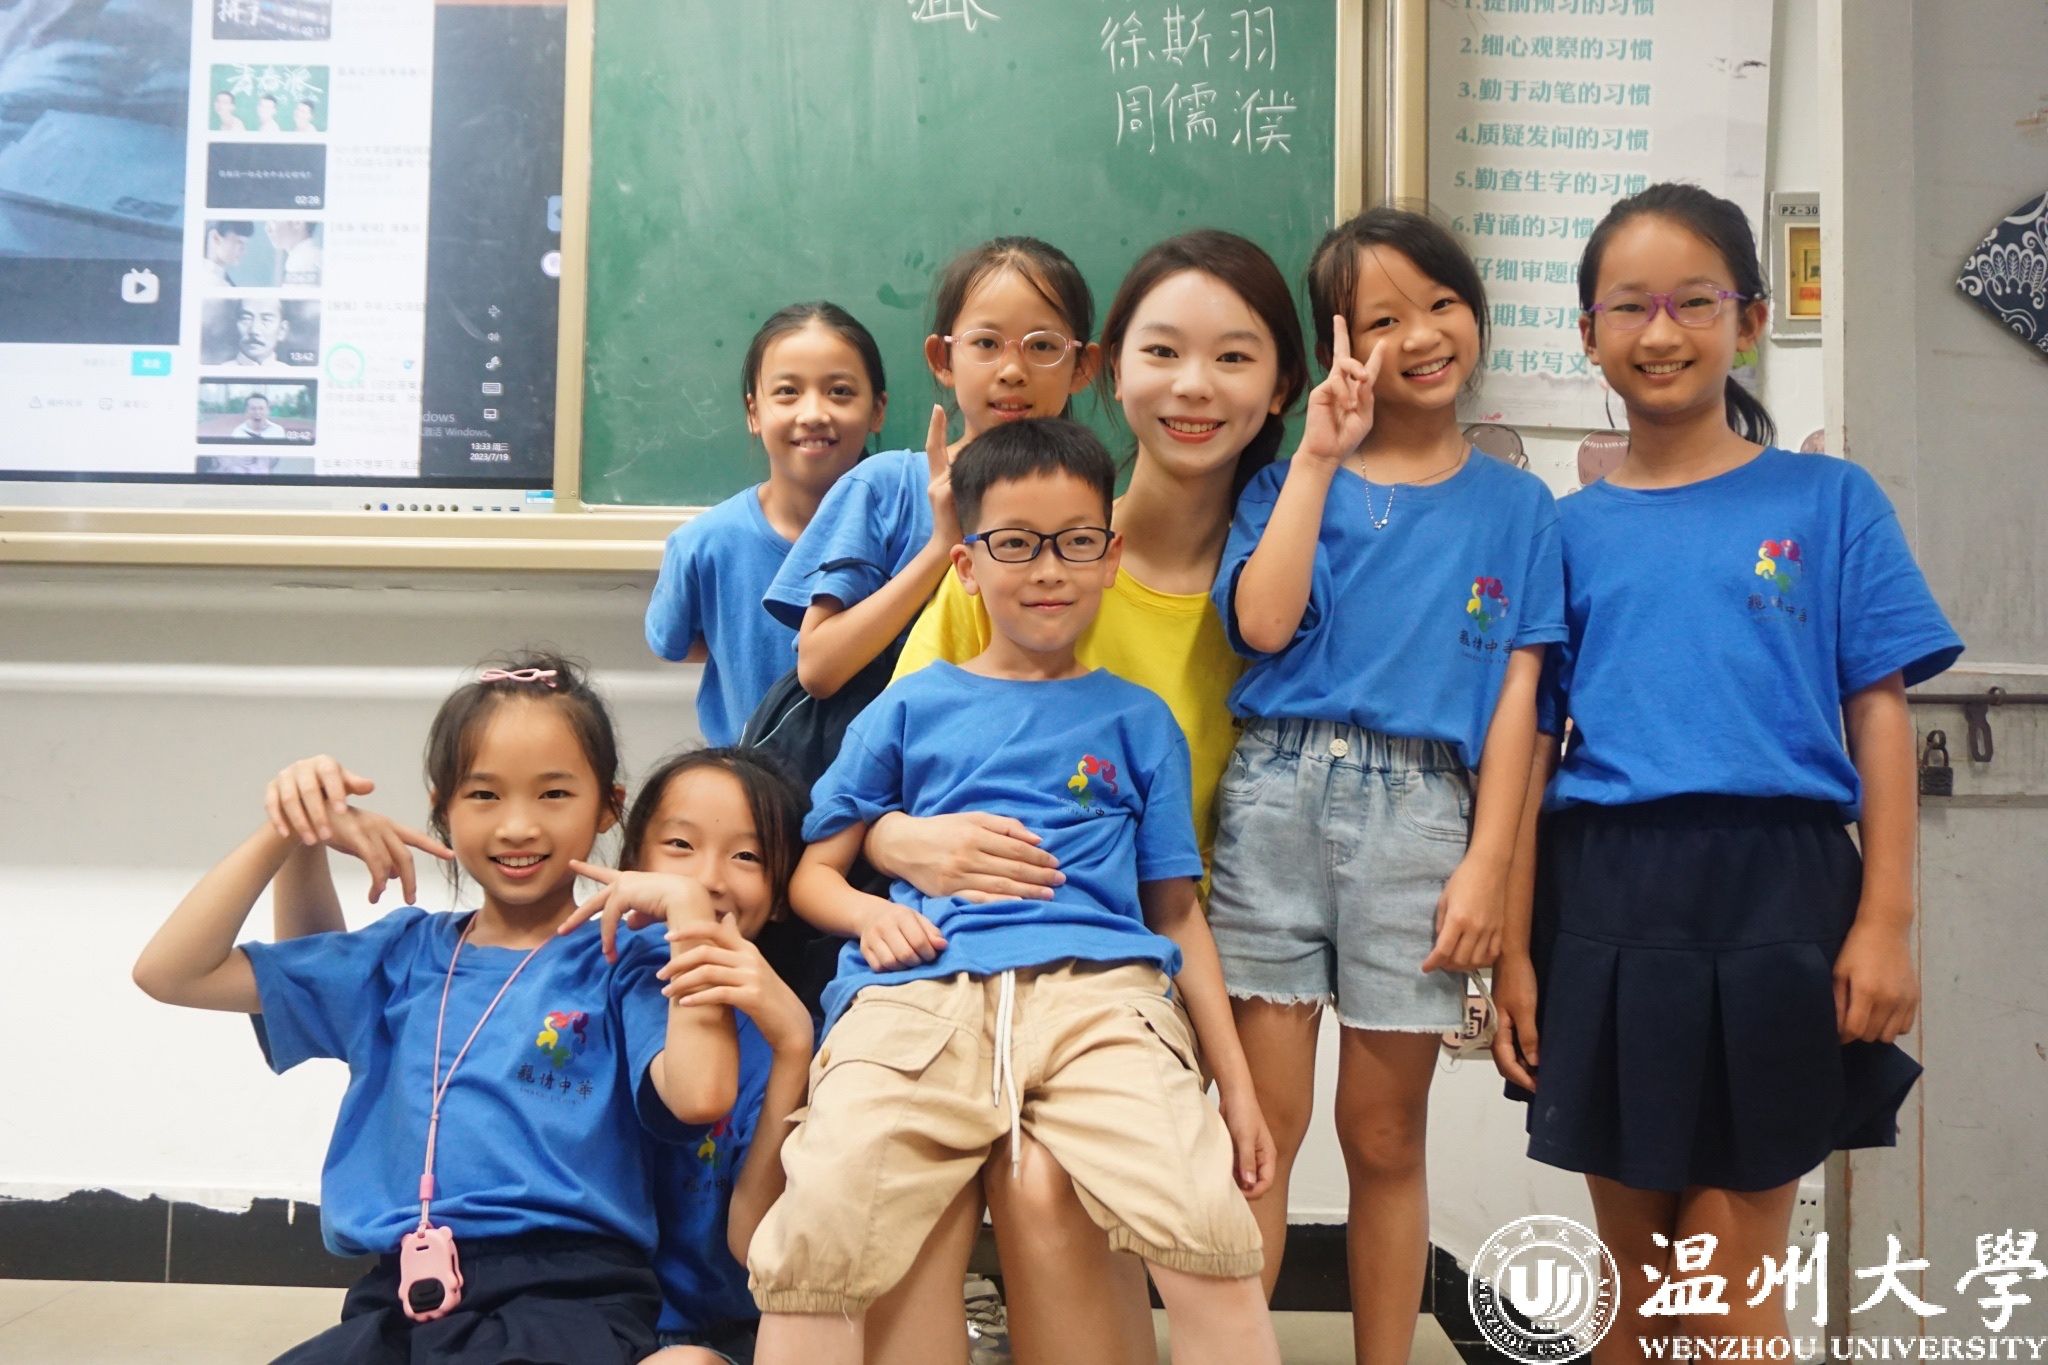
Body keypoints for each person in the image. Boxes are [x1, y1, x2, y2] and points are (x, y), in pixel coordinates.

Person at [1494, 183, 1963, 1362]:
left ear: (1747, 321)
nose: (1659, 332)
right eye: (1628, 307)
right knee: (1636, 1284)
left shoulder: (1827, 500)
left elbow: (1877, 713)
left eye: (1692, 302)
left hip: (1780, 894)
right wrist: (1509, 953)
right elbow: (1527, 752)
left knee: (1723, 1282)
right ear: (1587, 334)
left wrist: (1885, 922)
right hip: (1604, 896)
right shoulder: (1561, 530)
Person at [747, 418, 1282, 1365]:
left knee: (1207, 1224)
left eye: (1075, 542)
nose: (1048, 570)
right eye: (1016, 543)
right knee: (816, 1232)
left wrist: (1236, 1087)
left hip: (1101, 1000)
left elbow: (1174, 912)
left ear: (1110, 557)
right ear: (966, 563)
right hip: (920, 998)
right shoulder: (909, 705)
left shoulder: (1140, 720)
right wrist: (872, 911)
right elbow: (813, 875)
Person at [867, 229, 1310, 1365]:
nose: (1194, 386)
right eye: (1162, 351)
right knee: (1017, 1182)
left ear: (1282, 387)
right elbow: (883, 795)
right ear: (1111, 369)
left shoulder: (1292, 579)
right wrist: (914, 843)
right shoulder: (1023, 560)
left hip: (1205, 943)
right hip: (1015, 955)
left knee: (1191, 1174)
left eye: (1234, 356)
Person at [131, 656, 741, 1364]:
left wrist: (688, 910)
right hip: (397, 1303)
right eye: (483, 794)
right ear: (441, 807)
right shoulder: (400, 956)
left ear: (608, 805)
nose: (517, 825)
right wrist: (288, 829)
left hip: (569, 1298)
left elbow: (700, 1095)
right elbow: (170, 971)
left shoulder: (626, 958)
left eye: (554, 793)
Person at [1209, 207, 1564, 1365]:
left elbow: (1519, 700)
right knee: (1257, 1134)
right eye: (1380, 319)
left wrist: (1487, 867)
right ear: (1336, 344)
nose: (1419, 335)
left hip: (1422, 815)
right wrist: (1317, 456)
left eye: (1441, 302)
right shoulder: (1285, 481)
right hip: (1274, 795)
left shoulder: (1517, 506)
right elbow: (1263, 626)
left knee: (1382, 1136)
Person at [760, 237, 1100, 703]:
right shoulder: (888, 486)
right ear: (943, 359)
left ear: (1082, 367)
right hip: (892, 747)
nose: (1012, 371)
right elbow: (818, 668)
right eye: (986, 343)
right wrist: (942, 545)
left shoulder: (1085, 507)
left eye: (1043, 345)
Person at [647, 303, 888, 746]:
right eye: (787, 392)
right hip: (746, 782)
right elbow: (677, 643)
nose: (813, 413)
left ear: (877, 410)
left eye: (839, 391)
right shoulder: (704, 545)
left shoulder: (911, 540)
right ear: (754, 412)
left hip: (881, 785)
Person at [268, 220, 322, 286]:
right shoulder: (310, 256)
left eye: (273, 220)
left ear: (297, 222)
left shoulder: (302, 261)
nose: (268, 229)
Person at [202, 221, 253, 286]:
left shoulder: (221, 279)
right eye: (239, 242)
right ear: (216, 238)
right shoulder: (209, 281)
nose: (244, 251)